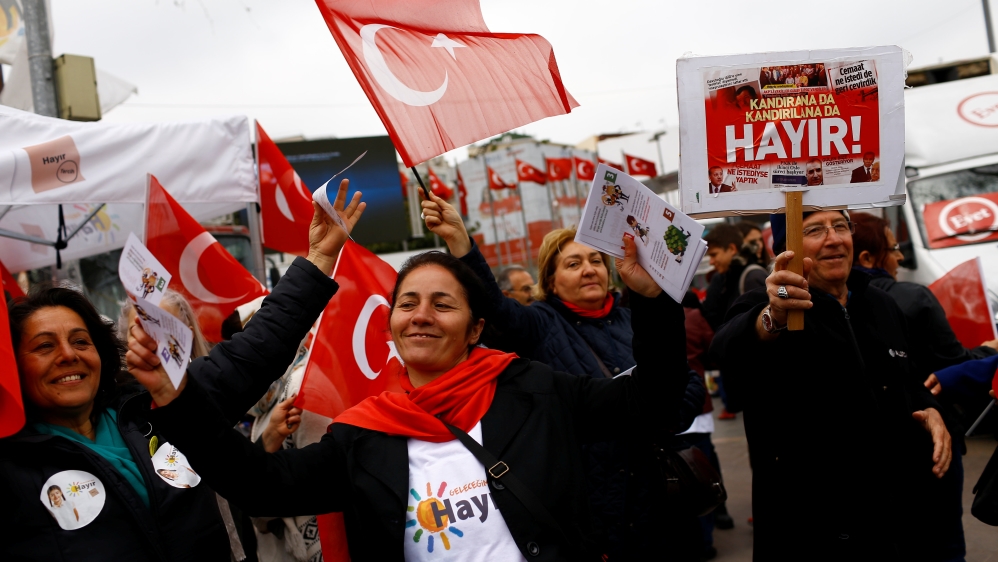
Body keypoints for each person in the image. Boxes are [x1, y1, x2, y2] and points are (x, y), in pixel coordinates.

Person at [125, 189, 699, 561]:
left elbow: (649, 401)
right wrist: (175, 400)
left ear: (476, 329)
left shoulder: (536, 389)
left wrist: (650, 301)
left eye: (442, 304)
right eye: (408, 304)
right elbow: (260, 484)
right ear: (391, 325)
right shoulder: (362, 433)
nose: (422, 315)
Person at [415, 189, 706, 560]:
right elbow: (497, 310)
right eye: (572, 263)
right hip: (588, 503)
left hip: (653, 495)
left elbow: (686, 380)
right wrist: (461, 243)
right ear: (550, 281)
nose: (589, 269)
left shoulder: (637, 319)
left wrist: (659, 415)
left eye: (596, 260)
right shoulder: (539, 325)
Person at [710, 210, 954, 560]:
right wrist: (772, 317)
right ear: (787, 249)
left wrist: (931, 409)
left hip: (892, 522)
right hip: (809, 532)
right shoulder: (765, 308)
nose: (834, 238)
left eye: (841, 226)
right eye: (814, 230)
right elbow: (726, 350)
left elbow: (909, 377)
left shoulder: (881, 304)